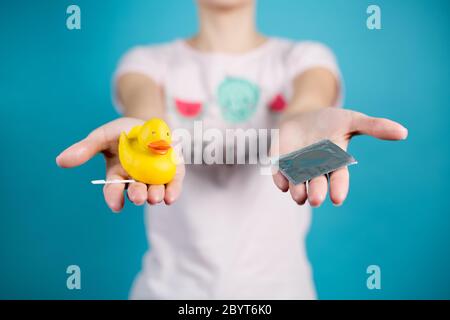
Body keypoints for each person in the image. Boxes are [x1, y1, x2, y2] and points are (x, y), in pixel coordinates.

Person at [56, 0, 407, 299]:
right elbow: (146, 115)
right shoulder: (147, 63)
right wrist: (141, 137)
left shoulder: (304, 57)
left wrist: (302, 122)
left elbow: (308, 101)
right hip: (167, 291)